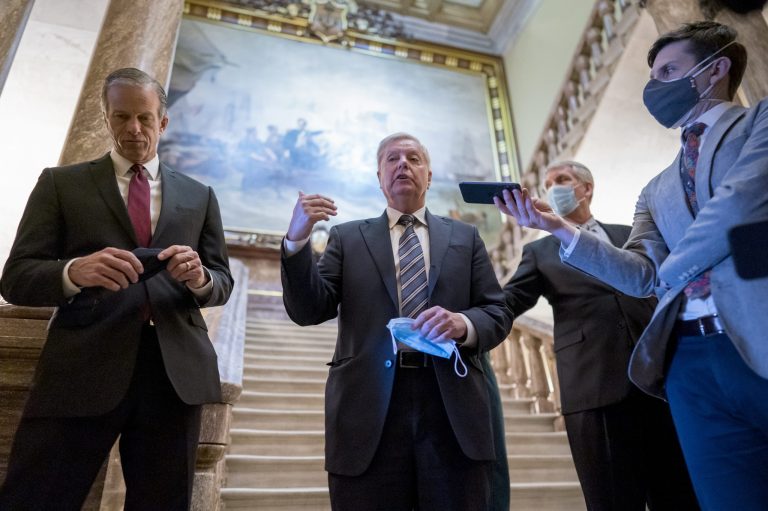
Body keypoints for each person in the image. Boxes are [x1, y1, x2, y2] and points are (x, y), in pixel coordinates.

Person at [494, 21, 768, 510]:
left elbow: (738, 205)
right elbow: (641, 274)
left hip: (758, 333)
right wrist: (558, 228)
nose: (655, 87)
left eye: (668, 72)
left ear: (716, 69)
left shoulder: (759, 124)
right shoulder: (654, 190)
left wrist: (669, 276)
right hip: (688, 362)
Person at [0, 67, 233, 510]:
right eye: (122, 116)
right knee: (36, 498)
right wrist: (74, 271)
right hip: (82, 367)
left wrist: (200, 279)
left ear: (163, 122)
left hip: (174, 376)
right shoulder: (61, 184)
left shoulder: (200, 195)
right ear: (106, 118)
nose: (134, 128)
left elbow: (221, 280)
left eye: (144, 118)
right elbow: (16, 278)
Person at [281, 132, 513, 510]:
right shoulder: (346, 238)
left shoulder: (466, 237)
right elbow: (309, 310)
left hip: (452, 409)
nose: (403, 164)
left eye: (413, 158)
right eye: (392, 158)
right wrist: (295, 241)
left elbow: (497, 312)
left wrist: (463, 323)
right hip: (368, 408)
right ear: (379, 177)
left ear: (429, 176)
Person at [503, 160, 698, 510]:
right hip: (593, 390)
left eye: (562, 179)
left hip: (658, 383)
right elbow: (508, 302)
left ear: (586, 188)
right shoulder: (539, 252)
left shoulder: (630, 234)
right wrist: (468, 317)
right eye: (548, 183)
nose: (554, 188)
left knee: (681, 496)